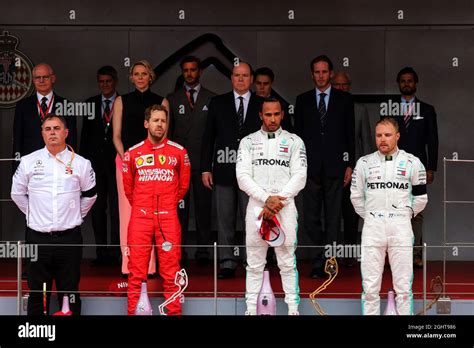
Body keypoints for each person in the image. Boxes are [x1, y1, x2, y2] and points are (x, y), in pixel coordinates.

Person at [11, 114, 96, 315]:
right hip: (37, 238)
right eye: (47, 129)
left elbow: (90, 195)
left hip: (70, 238)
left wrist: (75, 215)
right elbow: (17, 194)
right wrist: (35, 214)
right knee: (38, 293)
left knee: (70, 292)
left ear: (66, 133)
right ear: (42, 134)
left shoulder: (82, 163)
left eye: (56, 128)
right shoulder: (28, 162)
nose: (52, 133)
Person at [236, 98, 307, 315]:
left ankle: (293, 309)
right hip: (257, 207)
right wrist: (267, 199)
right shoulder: (247, 142)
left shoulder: (295, 141)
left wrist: (277, 201)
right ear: (260, 115)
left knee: (287, 261)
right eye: (268, 114)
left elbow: (300, 176)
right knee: (255, 263)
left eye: (276, 114)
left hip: (284, 207)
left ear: (283, 114)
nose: (273, 119)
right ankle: (250, 309)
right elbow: (242, 177)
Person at [351, 117, 427, 315]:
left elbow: (421, 198)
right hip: (372, 227)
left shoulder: (413, 162)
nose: (382, 139)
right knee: (370, 288)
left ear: (397, 136)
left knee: (403, 288)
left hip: (400, 227)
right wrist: (370, 216)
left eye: (387, 135)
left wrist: (405, 214)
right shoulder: (363, 163)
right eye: (378, 135)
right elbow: (356, 197)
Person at [122, 104, 190, 315]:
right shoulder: (132, 153)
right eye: (156, 120)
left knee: (172, 272)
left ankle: (174, 313)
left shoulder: (179, 152)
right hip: (140, 217)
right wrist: (145, 206)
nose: (160, 125)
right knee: (136, 273)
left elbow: (183, 187)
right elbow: (129, 189)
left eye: (163, 121)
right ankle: (134, 312)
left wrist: (167, 204)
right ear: (146, 123)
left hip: (168, 218)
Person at [201, 61, 264, 279]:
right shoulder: (218, 103)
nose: (241, 79)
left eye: (245, 75)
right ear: (231, 77)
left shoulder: (262, 104)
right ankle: (227, 262)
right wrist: (205, 169)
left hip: (253, 174)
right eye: (237, 75)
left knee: (252, 219)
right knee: (225, 219)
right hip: (224, 170)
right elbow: (208, 138)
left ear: (252, 79)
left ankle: (252, 261)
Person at [294, 55, 355, 278]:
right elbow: (297, 138)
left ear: (330, 73)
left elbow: (349, 135)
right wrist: (297, 166)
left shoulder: (345, 100)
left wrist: (349, 164)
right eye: (316, 72)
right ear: (312, 74)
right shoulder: (302, 100)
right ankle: (320, 251)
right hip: (309, 168)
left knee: (332, 217)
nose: (321, 76)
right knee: (310, 217)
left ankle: (327, 262)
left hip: (335, 167)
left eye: (324, 72)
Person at [112, 59, 169, 275]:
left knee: (152, 216)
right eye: (136, 74)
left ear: (150, 76)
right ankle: (129, 265)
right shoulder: (121, 101)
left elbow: (163, 136)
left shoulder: (161, 101)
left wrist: (150, 161)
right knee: (127, 215)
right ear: (131, 77)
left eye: (144, 73)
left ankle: (151, 266)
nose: (140, 77)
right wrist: (128, 159)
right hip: (125, 163)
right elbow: (116, 136)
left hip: (153, 167)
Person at [382, 67, 438, 268]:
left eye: (410, 80)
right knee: (392, 207)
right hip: (392, 167)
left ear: (416, 83)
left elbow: (432, 140)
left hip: (418, 167)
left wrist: (431, 167)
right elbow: (382, 138)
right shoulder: (389, 108)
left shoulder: (427, 109)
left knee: (416, 210)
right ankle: (394, 253)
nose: (406, 83)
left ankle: (414, 254)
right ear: (399, 83)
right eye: (403, 81)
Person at [167, 56, 216, 266]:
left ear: (200, 72)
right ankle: (180, 251)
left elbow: (214, 135)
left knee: (204, 210)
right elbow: (168, 134)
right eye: (185, 70)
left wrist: (211, 164)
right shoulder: (172, 98)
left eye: (193, 70)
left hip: (203, 164)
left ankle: (203, 251)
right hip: (179, 166)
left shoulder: (212, 98)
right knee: (180, 212)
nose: (189, 73)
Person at [332, 71, 373, 266]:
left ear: (349, 86)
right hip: (330, 170)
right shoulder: (326, 107)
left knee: (351, 215)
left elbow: (365, 141)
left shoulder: (359, 109)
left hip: (354, 172)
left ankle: (349, 255)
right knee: (330, 216)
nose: (340, 88)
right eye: (337, 85)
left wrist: (366, 172)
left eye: (344, 85)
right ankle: (329, 255)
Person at [80, 65, 120, 266]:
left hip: (116, 164)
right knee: (97, 209)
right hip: (95, 166)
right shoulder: (90, 104)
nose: (105, 85)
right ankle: (101, 252)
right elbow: (84, 138)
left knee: (116, 210)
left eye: (108, 81)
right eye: (101, 81)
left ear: (115, 82)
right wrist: (82, 167)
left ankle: (116, 252)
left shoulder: (123, 102)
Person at [13, 63, 77, 170]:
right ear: (33, 80)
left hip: (59, 162)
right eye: (38, 77)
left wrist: (70, 163)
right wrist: (17, 167)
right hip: (31, 164)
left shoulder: (67, 105)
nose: (41, 80)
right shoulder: (22, 106)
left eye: (45, 77)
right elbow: (17, 139)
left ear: (53, 78)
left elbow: (72, 138)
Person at [254, 67, 293, 131]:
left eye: (266, 83)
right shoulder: (247, 102)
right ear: (254, 83)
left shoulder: (281, 104)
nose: (262, 87)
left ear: (271, 83)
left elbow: (287, 129)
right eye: (259, 83)